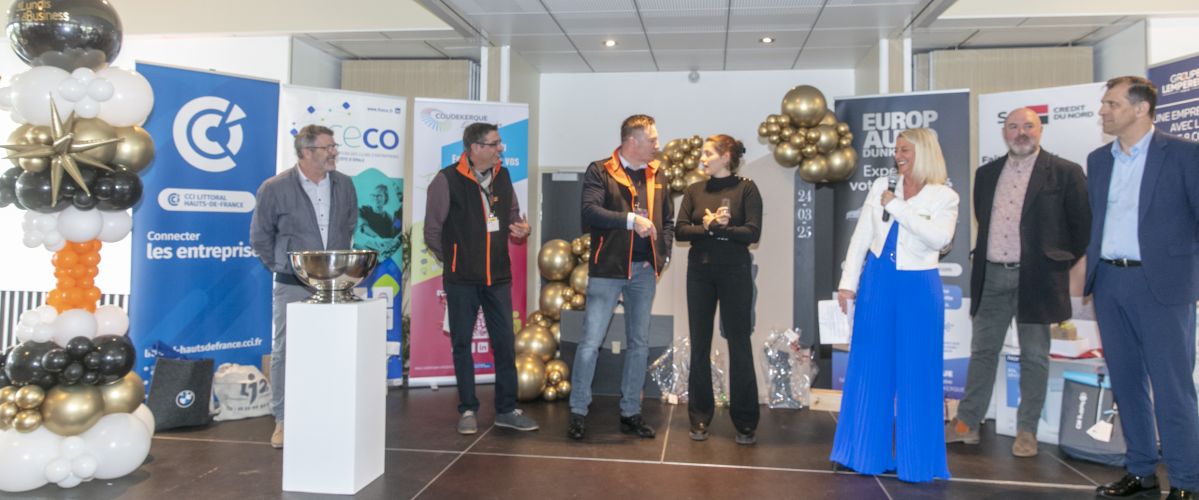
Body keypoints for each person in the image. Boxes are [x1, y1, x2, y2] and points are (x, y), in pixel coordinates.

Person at [946, 107, 1091, 457]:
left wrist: (1055, 262)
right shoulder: (986, 174)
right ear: (1004, 133)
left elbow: (1082, 228)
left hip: (1038, 276)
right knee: (983, 351)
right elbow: (984, 219)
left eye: (1028, 126)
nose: (1021, 132)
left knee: (1035, 355)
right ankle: (967, 423)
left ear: (1040, 130)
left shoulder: (1066, 172)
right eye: (1013, 126)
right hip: (992, 274)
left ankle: (1027, 430)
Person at [1085, 76, 1198, 500]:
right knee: (1127, 382)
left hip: (1163, 286)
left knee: (1172, 388)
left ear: (1141, 109)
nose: (1103, 111)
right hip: (1110, 282)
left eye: (1112, 104)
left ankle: (1187, 481)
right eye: (1104, 104)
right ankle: (1141, 471)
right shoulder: (1099, 160)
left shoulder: (1184, 154)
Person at [829, 128, 957, 483]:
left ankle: (918, 463)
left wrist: (896, 206)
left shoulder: (944, 196)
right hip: (877, 283)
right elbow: (861, 237)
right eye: (897, 150)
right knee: (869, 367)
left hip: (919, 287)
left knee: (918, 372)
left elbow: (939, 238)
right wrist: (847, 283)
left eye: (905, 150)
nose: (898, 156)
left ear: (924, 152)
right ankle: (861, 454)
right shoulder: (881, 186)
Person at [424, 122, 538, 435]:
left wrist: (522, 229)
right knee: (462, 344)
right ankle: (468, 409)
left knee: (505, 344)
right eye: (494, 143)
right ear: (475, 148)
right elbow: (432, 232)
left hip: (498, 277)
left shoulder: (503, 176)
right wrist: (457, 261)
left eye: (500, 143)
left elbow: (512, 217)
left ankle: (506, 410)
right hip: (461, 280)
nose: (500, 148)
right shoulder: (446, 180)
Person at [250, 125, 358, 449]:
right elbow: (260, 236)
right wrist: (282, 266)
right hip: (292, 284)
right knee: (286, 350)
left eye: (334, 146)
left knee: (333, 349)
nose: (334, 152)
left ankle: (327, 411)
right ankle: (283, 419)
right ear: (306, 153)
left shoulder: (345, 184)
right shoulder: (274, 188)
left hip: (335, 284)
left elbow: (349, 224)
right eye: (327, 148)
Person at [568, 114, 673, 441]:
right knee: (590, 342)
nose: (657, 145)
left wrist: (663, 254)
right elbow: (589, 213)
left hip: (644, 271)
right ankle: (578, 412)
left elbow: (667, 221)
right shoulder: (600, 170)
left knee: (639, 343)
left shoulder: (658, 174)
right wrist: (630, 220)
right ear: (632, 141)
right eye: (652, 139)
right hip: (608, 270)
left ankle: (631, 412)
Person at [674, 134, 762, 445]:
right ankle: (699, 417)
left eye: (708, 153)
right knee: (700, 343)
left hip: (735, 272)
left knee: (739, 342)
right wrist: (708, 228)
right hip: (700, 272)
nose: (702, 158)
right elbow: (680, 230)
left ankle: (745, 421)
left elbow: (752, 232)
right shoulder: (694, 190)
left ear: (725, 157)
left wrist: (725, 229)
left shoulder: (746, 188)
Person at [356, 184, 403, 260]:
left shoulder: (391, 217)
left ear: (385, 198)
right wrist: (379, 239)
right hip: (364, 253)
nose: (376, 198)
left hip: (381, 255)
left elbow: (398, 231)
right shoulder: (364, 210)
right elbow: (363, 226)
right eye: (373, 195)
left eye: (379, 196)